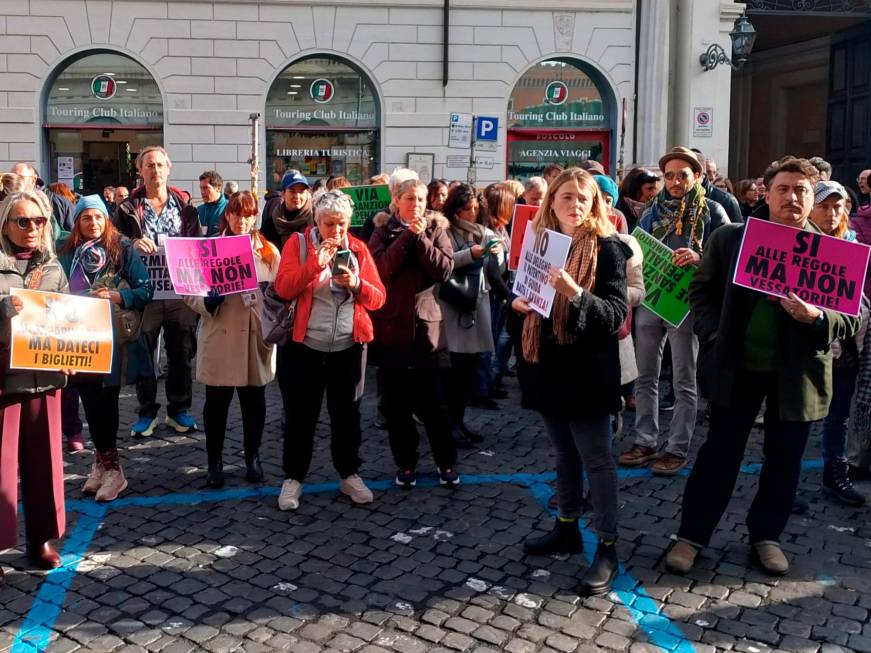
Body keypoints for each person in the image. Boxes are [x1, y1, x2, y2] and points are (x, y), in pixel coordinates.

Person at [666, 157, 861, 576]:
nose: (792, 197)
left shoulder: (835, 251)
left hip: (799, 375)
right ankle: (691, 536)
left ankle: (766, 536)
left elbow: (854, 316)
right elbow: (701, 292)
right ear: (766, 193)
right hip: (736, 368)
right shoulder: (730, 238)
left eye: (802, 191)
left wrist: (817, 317)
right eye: (784, 189)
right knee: (719, 455)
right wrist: (715, 336)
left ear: (812, 198)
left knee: (784, 459)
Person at [514, 168, 630, 596]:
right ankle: (565, 526)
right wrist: (517, 301)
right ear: (551, 201)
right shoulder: (540, 242)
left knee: (597, 462)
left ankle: (607, 545)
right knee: (564, 455)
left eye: (584, 198)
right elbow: (524, 293)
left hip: (588, 371)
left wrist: (576, 293)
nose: (576, 204)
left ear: (596, 203)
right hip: (546, 365)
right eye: (567, 197)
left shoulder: (609, 248)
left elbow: (616, 314)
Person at [620, 147, 729, 475]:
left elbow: (727, 257)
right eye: (670, 175)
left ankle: (677, 446)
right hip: (651, 301)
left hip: (687, 306)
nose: (676, 181)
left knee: (684, 378)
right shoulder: (651, 210)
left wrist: (699, 258)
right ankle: (645, 440)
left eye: (683, 174)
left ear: (697, 176)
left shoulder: (713, 212)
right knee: (646, 375)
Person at [273, 191, 385, 509]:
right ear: (316, 222)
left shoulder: (359, 248)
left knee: (347, 415)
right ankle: (293, 478)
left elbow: (378, 298)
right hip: (304, 347)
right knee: (299, 416)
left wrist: (357, 285)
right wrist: (313, 266)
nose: (335, 231)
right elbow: (283, 288)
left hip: (348, 347)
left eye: (341, 224)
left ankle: (349, 474)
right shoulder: (298, 244)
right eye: (329, 224)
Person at [57, 195, 154, 501]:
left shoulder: (122, 249)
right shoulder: (67, 252)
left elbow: (145, 289)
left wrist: (116, 297)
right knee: (89, 402)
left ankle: (114, 471)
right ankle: (102, 463)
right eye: (86, 218)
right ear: (77, 223)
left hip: (111, 342)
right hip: (78, 341)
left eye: (98, 217)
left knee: (106, 404)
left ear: (106, 220)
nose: (93, 223)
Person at [184, 191, 279, 489]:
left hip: (254, 336)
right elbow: (189, 290)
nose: (242, 220)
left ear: (256, 217)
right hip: (220, 333)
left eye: (248, 214)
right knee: (216, 404)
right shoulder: (209, 248)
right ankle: (215, 461)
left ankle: (252, 456)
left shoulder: (268, 251)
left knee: (254, 402)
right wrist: (207, 302)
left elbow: (281, 293)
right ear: (228, 215)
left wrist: (268, 300)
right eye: (237, 213)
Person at [368, 178, 459, 489]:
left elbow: (443, 270)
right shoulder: (382, 230)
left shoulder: (437, 229)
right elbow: (382, 268)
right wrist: (407, 236)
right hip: (392, 328)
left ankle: (446, 461)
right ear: (396, 199)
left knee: (434, 403)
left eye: (421, 199)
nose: (417, 204)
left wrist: (421, 239)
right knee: (396, 406)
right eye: (410, 198)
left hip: (426, 331)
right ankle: (406, 463)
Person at [0, 189, 71, 579]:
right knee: (0, 467)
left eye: (39, 221)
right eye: (23, 221)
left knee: (44, 462)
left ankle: (41, 539)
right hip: (4, 378)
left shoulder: (54, 267)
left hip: (44, 379)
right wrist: (6, 311)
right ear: (6, 224)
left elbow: (65, 320)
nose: (31, 228)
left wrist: (76, 352)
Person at [115, 145, 201, 436]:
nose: (155, 171)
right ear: (140, 171)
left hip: (180, 291)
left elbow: (198, 243)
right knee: (144, 354)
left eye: (160, 165)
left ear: (169, 168)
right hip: (146, 291)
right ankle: (146, 412)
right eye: (149, 165)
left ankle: (179, 410)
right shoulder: (128, 207)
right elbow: (114, 242)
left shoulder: (184, 204)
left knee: (181, 353)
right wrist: (131, 243)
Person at [807, 181, 866, 506]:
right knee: (790, 417)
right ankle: (779, 480)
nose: (832, 213)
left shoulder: (851, 244)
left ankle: (835, 472)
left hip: (843, 343)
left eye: (838, 206)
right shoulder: (797, 244)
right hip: (806, 344)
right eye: (825, 206)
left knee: (838, 414)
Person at [438, 183, 502, 445]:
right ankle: (448, 426)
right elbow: (443, 262)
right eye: (466, 209)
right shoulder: (444, 230)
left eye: (475, 208)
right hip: (454, 305)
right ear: (455, 210)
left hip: (477, 305)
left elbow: (498, 269)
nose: (471, 214)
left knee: (466, 373)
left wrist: (497, 254)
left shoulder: (484, 232)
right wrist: (469, 254)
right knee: (452, 373)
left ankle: (459, 422)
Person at [9, 162, 74, 234]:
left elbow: (73, 234)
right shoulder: (6, 201)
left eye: (19, 178)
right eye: (10, 178)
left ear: (33, 180)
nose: (14, 181)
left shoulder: (57, 202)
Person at [260, 170, 313, 251]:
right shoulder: (272, 222)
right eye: (292, 191)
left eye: (302, 192)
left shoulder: (316, 218)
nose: (297, 196)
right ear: (283, 194)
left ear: (307, 194)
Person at [616, 168, 660, 232]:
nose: (654, 193)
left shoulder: (657, 209)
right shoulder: (617, 210)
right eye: (649, 188)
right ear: (635, 189)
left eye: (655, 189)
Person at [198, 171, 228, 236]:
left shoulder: (229, 208)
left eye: (206, 188)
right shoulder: (199, 210)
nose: (202, 192)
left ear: (218, 188)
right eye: (201, 188)